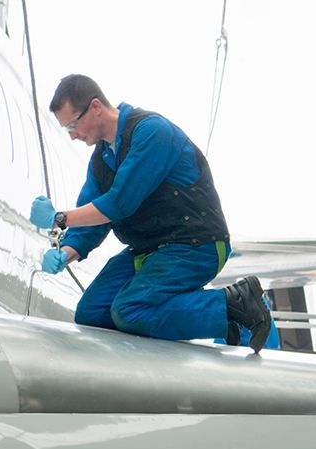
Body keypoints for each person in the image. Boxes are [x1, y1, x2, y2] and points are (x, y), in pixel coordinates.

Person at [29, 74, 275, 352]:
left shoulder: (152, 132)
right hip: (149, 252)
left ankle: (235, 304)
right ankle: (212, 321)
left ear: (96, 107)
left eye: (73, 123)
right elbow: (92, 223)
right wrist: (68, 252)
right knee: (92, 313)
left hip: (196, 246)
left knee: (128, 309)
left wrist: (59, 218)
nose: (72, 134)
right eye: (67, 129)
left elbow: (119, 203)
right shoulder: (102, 160)